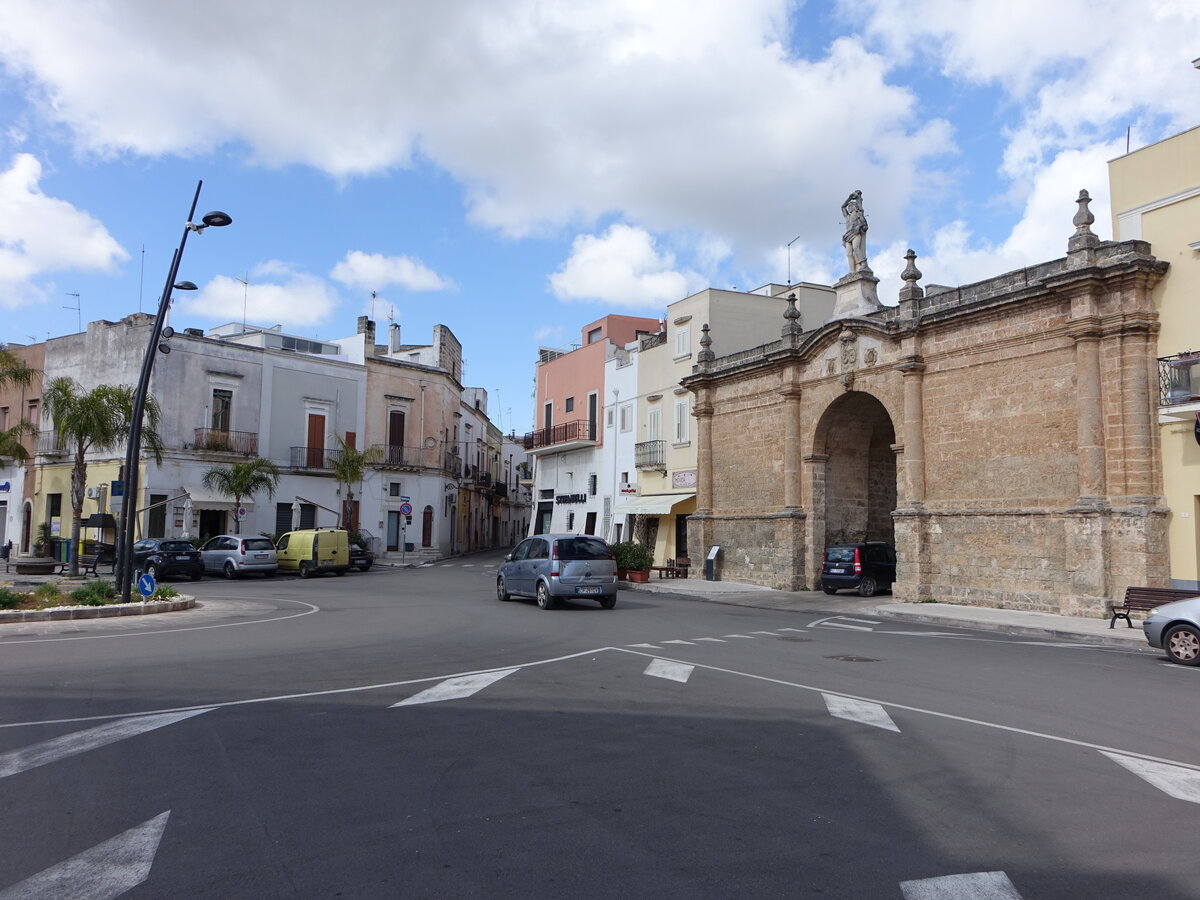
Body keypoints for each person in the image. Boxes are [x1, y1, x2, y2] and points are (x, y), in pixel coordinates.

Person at [841, 189, 869, 273]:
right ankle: (852, 271)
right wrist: (849, 198)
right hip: (847, 236)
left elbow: (865, 225)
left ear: (854, 207)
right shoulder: (847, 217)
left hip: (856, 234)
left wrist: (859, 227)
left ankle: (863, 264)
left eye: (850, 206)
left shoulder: (858, 214)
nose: (849, 207)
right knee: (849, 254)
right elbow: (842, 207)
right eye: (848, 206)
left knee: (856, 248)